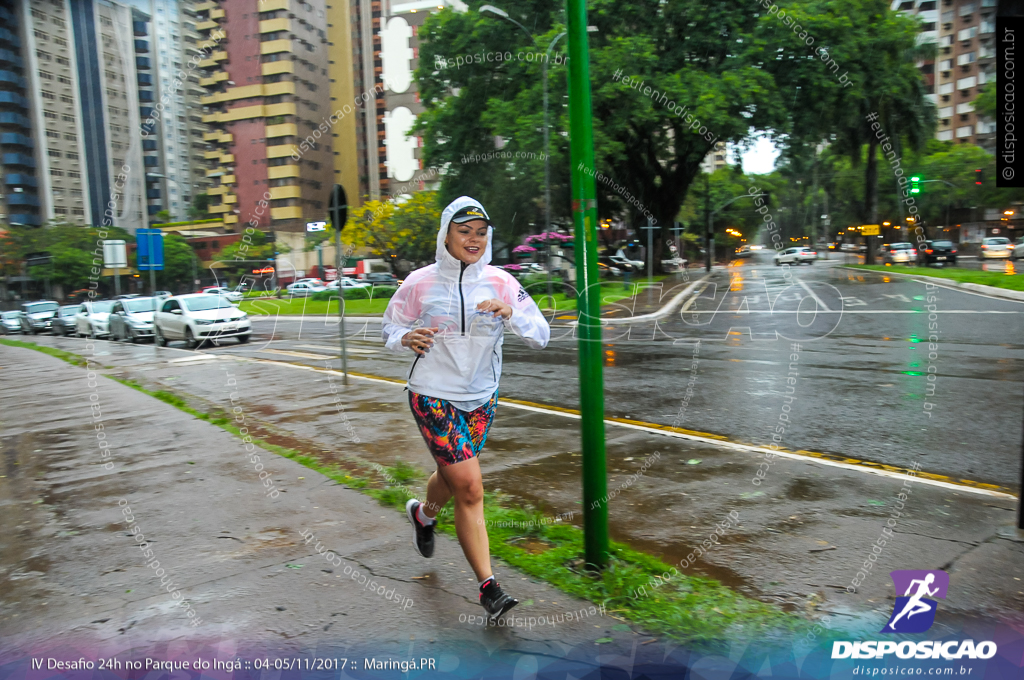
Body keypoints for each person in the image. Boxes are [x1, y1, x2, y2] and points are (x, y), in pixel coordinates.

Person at [382, 196, 550, 620]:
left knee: (452, 473)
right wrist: (404, 338)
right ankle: (488, 588)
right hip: (432, 393)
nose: (474, 239)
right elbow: (390, 324)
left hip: (481, 396)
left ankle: (423, 515)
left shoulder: (501, 281)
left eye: (481, 232)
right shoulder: (419, 282)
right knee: (471, 486)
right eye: (464, 230)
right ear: (446, 235)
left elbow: (541, 333)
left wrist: (511, 311)